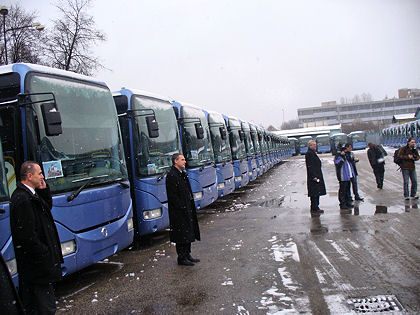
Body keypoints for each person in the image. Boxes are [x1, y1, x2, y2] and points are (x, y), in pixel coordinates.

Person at [10, 161, 63, 314]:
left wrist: (44, 190)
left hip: (37, 266)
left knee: (37, 304)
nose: (42, 176)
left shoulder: (31, 195)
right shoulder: (23, 199)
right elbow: (27, 236)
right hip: (36, 266)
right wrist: (44, 254)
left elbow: (46, 209)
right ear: (29, 176)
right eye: (39, 173)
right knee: (43, 306)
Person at [166, 153, 201, 266]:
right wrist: (181, 207)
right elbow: (173, 196)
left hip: (187, 208)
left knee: (188, 231)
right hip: (179, 212)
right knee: (181, 234)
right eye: (182, 160)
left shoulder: (182, 174)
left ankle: (187, 254)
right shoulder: (172, 175)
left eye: (184, 159)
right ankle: (181, 257)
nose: (185, 161)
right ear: (175, 161)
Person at [305, 140, 326, 216]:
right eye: (313, 145)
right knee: (314, 193)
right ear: (310, 146)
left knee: (317, 192)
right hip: (313, 177)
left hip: (316, 175)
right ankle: (314, 208)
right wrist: (314, 176)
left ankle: (316, 207)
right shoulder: (309, 154)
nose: (315, 146)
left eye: (315, 145)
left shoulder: (312, 153)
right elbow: (310, 166)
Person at [334, 145, 355, 210]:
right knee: (343, 190)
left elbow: (351, 161)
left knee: (347, 190)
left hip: (348, 176)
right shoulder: (338, 156)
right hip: (343, 176)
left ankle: (347, 202)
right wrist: (342, 156)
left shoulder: (347, 156)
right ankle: (342, 203)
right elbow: (338, 164)